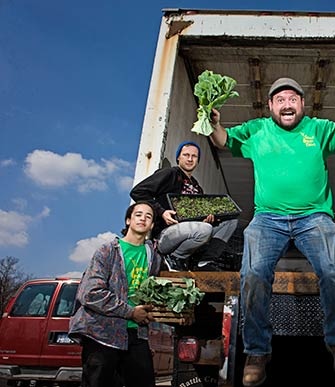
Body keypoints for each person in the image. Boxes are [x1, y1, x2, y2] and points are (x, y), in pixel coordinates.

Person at [208, 77, 335, 386]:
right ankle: (258, 351)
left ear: (302, 104)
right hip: (268, 219)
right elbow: (223, 141)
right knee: (254, 274)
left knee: (333, 271)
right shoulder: (256, 130)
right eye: (280, 100)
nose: (287, 104)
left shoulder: (319, 129)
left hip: (314, 217)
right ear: (271, 105)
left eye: (293, 99)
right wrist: (214, 123)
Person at [68, 201, 163, 387]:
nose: (143, 218)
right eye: (138, 214)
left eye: (148, 216)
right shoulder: (107, 251)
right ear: (128, 220)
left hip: (135, 333)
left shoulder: (154, 257)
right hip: (102, 332)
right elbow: (91, 293)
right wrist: (130, 312)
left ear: (152, 225)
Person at [130, 140, 238, 271]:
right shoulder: (170, 174)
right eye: (186, 155)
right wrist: (162, 212)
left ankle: (204, 261)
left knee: (230, 221)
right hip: (166, 235)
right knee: (204, 229)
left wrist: (204, 219)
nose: (190, 159)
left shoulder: (197, 187)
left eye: (194, 156)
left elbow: (195, 220)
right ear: (178, 157)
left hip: (190, 232)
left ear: (198, 161)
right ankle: (174, 257)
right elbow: (138, 192)